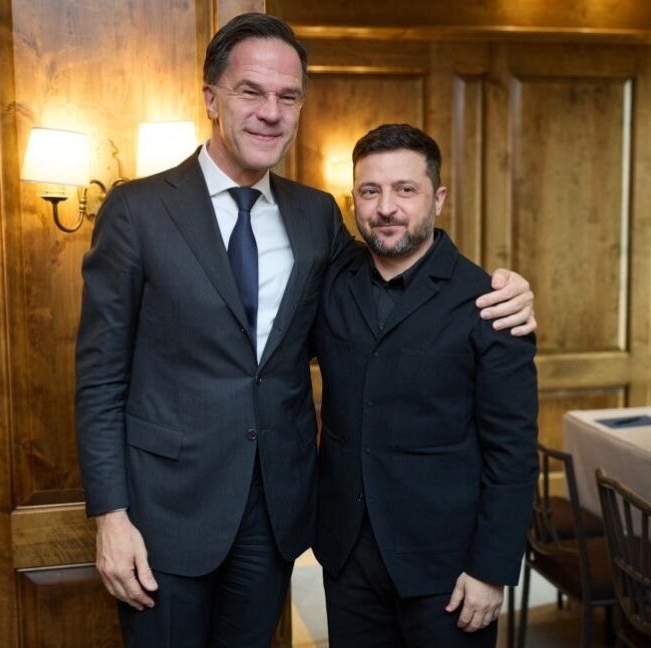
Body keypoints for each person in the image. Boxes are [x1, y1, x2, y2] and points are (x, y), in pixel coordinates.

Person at [74, 13, 536, 648]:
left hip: (275, 515)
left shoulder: (315, 214)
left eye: (288, 96)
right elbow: (100, 379)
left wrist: (505, 291)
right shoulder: (137, 209)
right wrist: (110, 514)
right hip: (164, 517)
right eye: (251, 91)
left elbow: (393, 284)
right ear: (211, 98)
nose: (271, 112)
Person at [313, 123, 538, 648]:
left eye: (405, 189)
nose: (385, 207)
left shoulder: (490, 303)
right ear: (353, 200)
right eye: (370, 191)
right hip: (348, 558)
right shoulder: (330, 281)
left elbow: (513, 452)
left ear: (438, 199)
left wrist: (490, 570)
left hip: (449, 571)